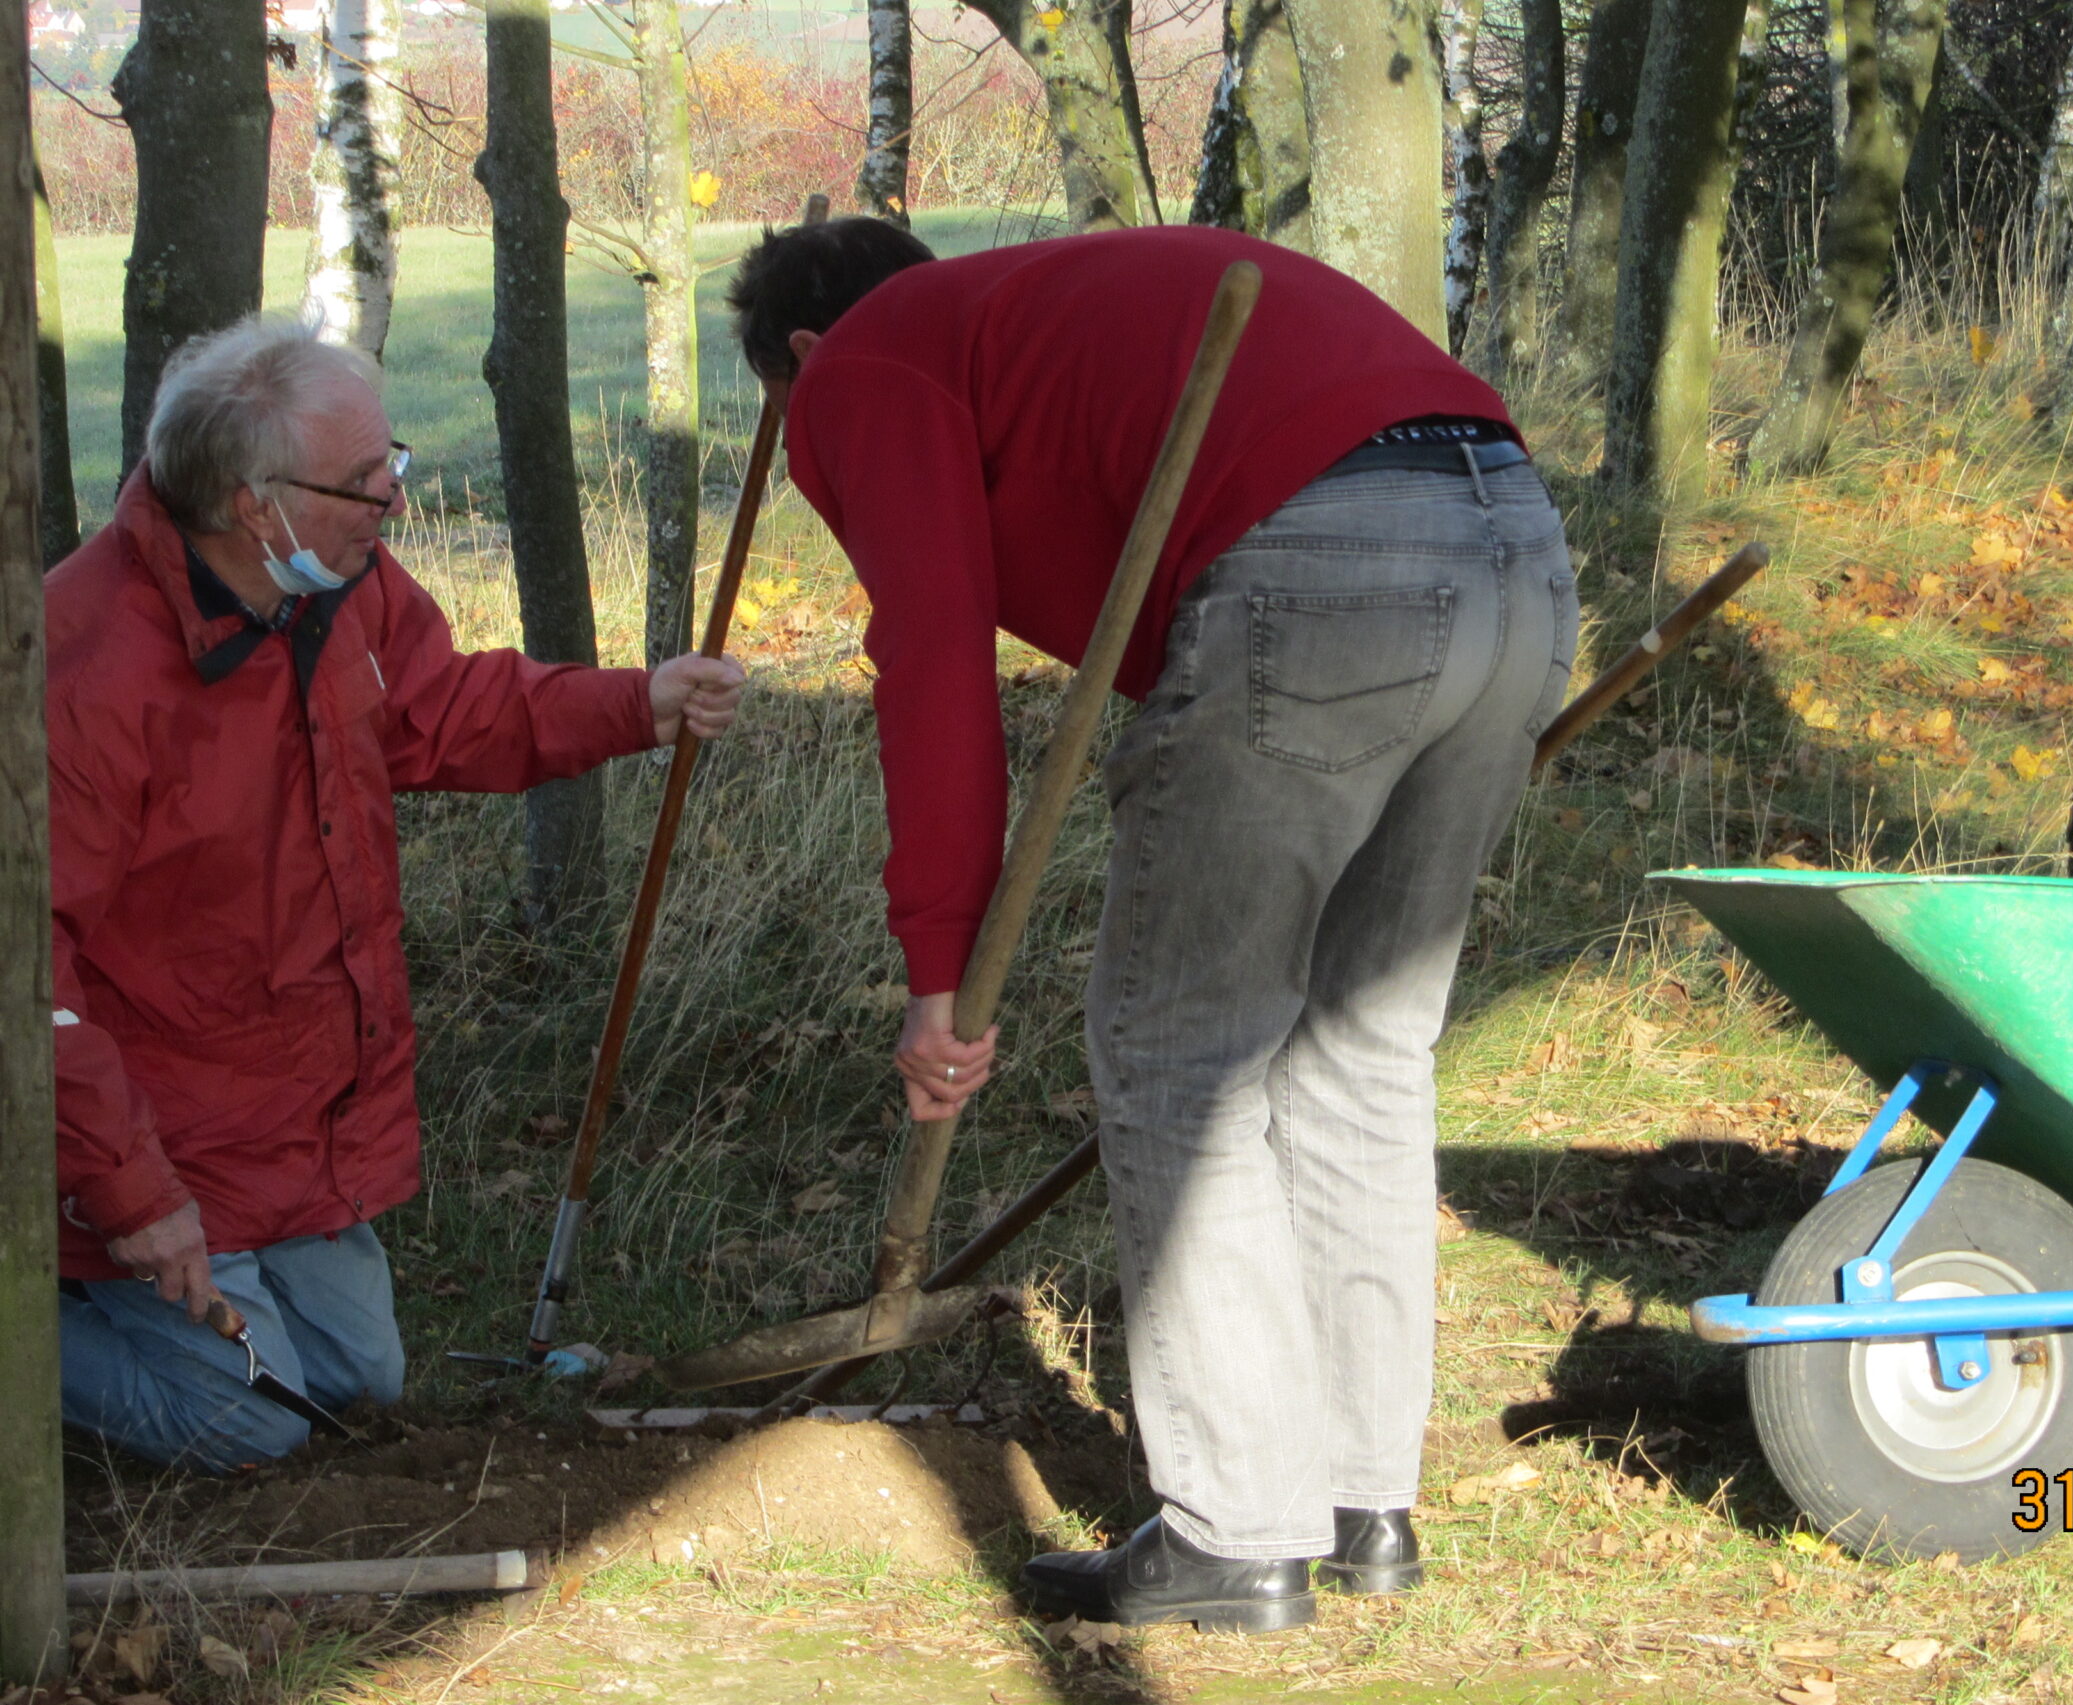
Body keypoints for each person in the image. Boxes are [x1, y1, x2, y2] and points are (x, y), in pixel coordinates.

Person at [727, 220, 1576, 1632]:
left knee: (1185, 1051)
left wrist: (940, 970)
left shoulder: (866, 361)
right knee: (1363, 1052)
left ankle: (1237, 1531)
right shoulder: (1030, 316)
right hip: (1515, 544)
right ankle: (1359, 1500)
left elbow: (931, 654)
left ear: (805, 355)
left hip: (1320, 563)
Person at [50, 316, 746, 1471]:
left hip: (287, 1110)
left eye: (394, 463)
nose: (395, 498)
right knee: (255, 1422)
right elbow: (29, 972)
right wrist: (130, 1195)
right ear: (252, 505)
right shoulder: (83, 672)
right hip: (135, 1127)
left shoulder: (333, 581)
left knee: (359, 1384)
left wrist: (639, 705)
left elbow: (441, 710)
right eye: (366, 479)